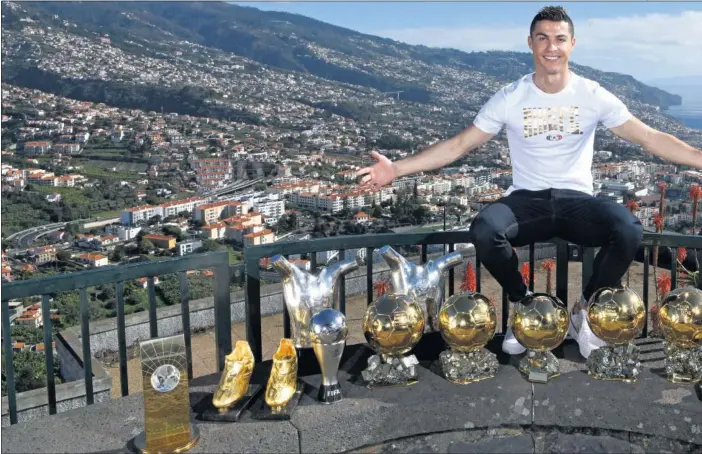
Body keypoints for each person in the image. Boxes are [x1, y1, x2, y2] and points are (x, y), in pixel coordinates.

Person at [357, 5, 702, 359]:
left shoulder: (593, 94)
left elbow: (649, 137)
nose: (551, 47)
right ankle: (525, 305)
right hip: (527, 201)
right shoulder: (510, 97)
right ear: (530, 43)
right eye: (543, 38)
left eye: (559, 39)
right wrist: (396, 169)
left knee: (628, 229)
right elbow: (459, 145)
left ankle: (585, 309)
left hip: (576, 200)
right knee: (485, 228)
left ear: (572, 44)